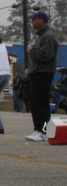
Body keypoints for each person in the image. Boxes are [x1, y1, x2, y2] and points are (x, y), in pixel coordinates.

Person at [25, 11, 58, 142]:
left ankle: (44, 131)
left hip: (43, 74)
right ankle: (38, 129)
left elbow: (46, 56)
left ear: (42, 20)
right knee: (35, 103)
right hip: (36, 73)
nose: (32, 22)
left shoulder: (48, 36)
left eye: (34, 19)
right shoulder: (41, 37)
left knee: (41, 103)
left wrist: (32, 51)